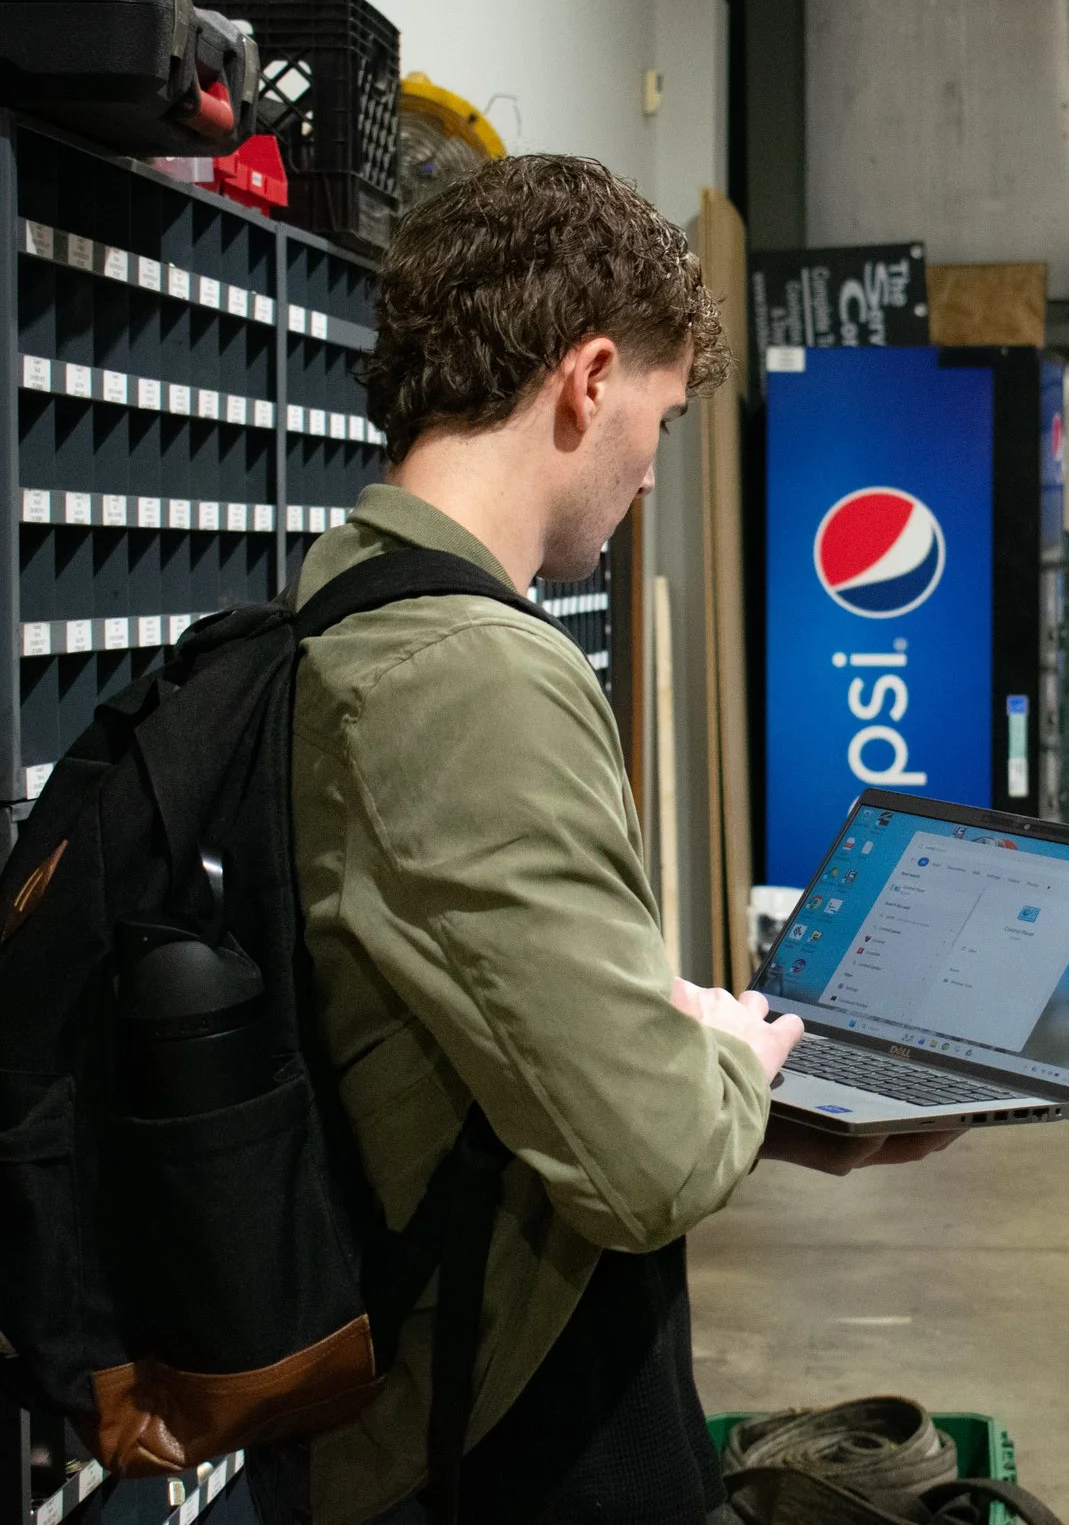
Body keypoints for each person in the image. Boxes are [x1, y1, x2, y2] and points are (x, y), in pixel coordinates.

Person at [275, 155, 948, 1525]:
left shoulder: (344, 599)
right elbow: (645, 1165)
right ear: (587, 379)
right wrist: (729, 1064)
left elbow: (508, 1046)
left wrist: (707, 1072)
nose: (652, 467)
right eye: (662, 412)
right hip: (498, 1431)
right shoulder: (471, 674)